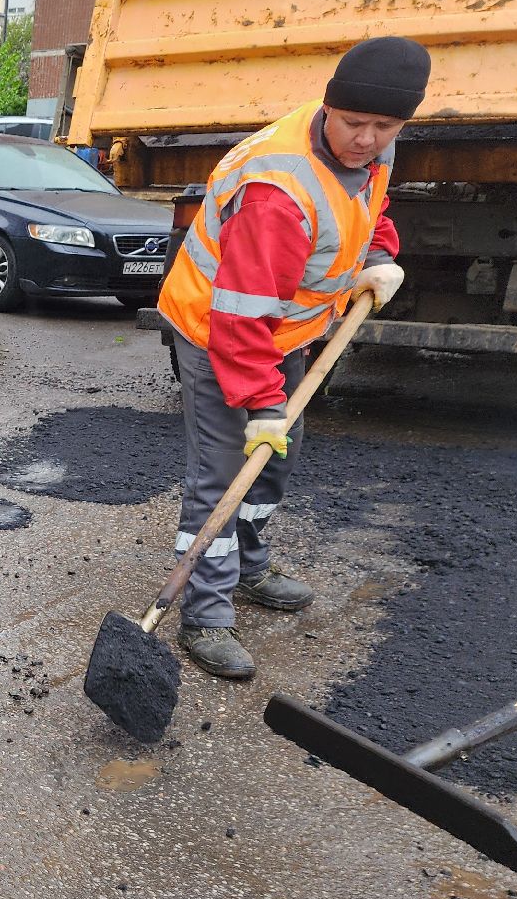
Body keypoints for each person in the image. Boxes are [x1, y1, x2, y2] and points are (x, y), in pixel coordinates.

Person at [157, 36, 430, 680]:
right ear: (328, 106)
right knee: (226, 472)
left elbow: (368, 206)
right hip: (218, 332)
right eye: (354, 123)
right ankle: (206, 614)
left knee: (279, 456)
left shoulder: (373, 146)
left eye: (384, 127)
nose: (366, 140)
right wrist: (260, 404)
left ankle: (248, 566)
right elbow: (241, 314)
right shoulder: (276, 190)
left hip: (285, 333)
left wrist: (378, 256)